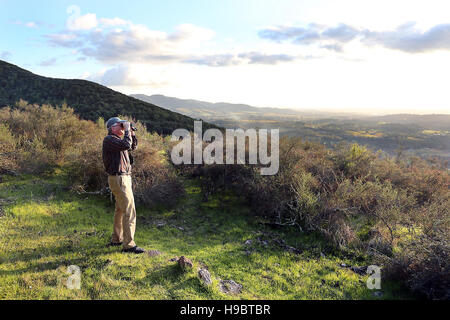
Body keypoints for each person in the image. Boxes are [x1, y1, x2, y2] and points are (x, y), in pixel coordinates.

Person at [102, 117, 145, 254]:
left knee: (120, 209)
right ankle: (129, 245)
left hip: (121, 178)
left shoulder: (117, 141)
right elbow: (126, 145)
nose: (122, 128)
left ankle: (117, 239)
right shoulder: (109, 139)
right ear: (112, 128)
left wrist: (131, 133)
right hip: (119, 178)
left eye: (122, 126)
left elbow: (132, 146)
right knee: (129, 210)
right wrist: (126, 130)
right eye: (119, 126)